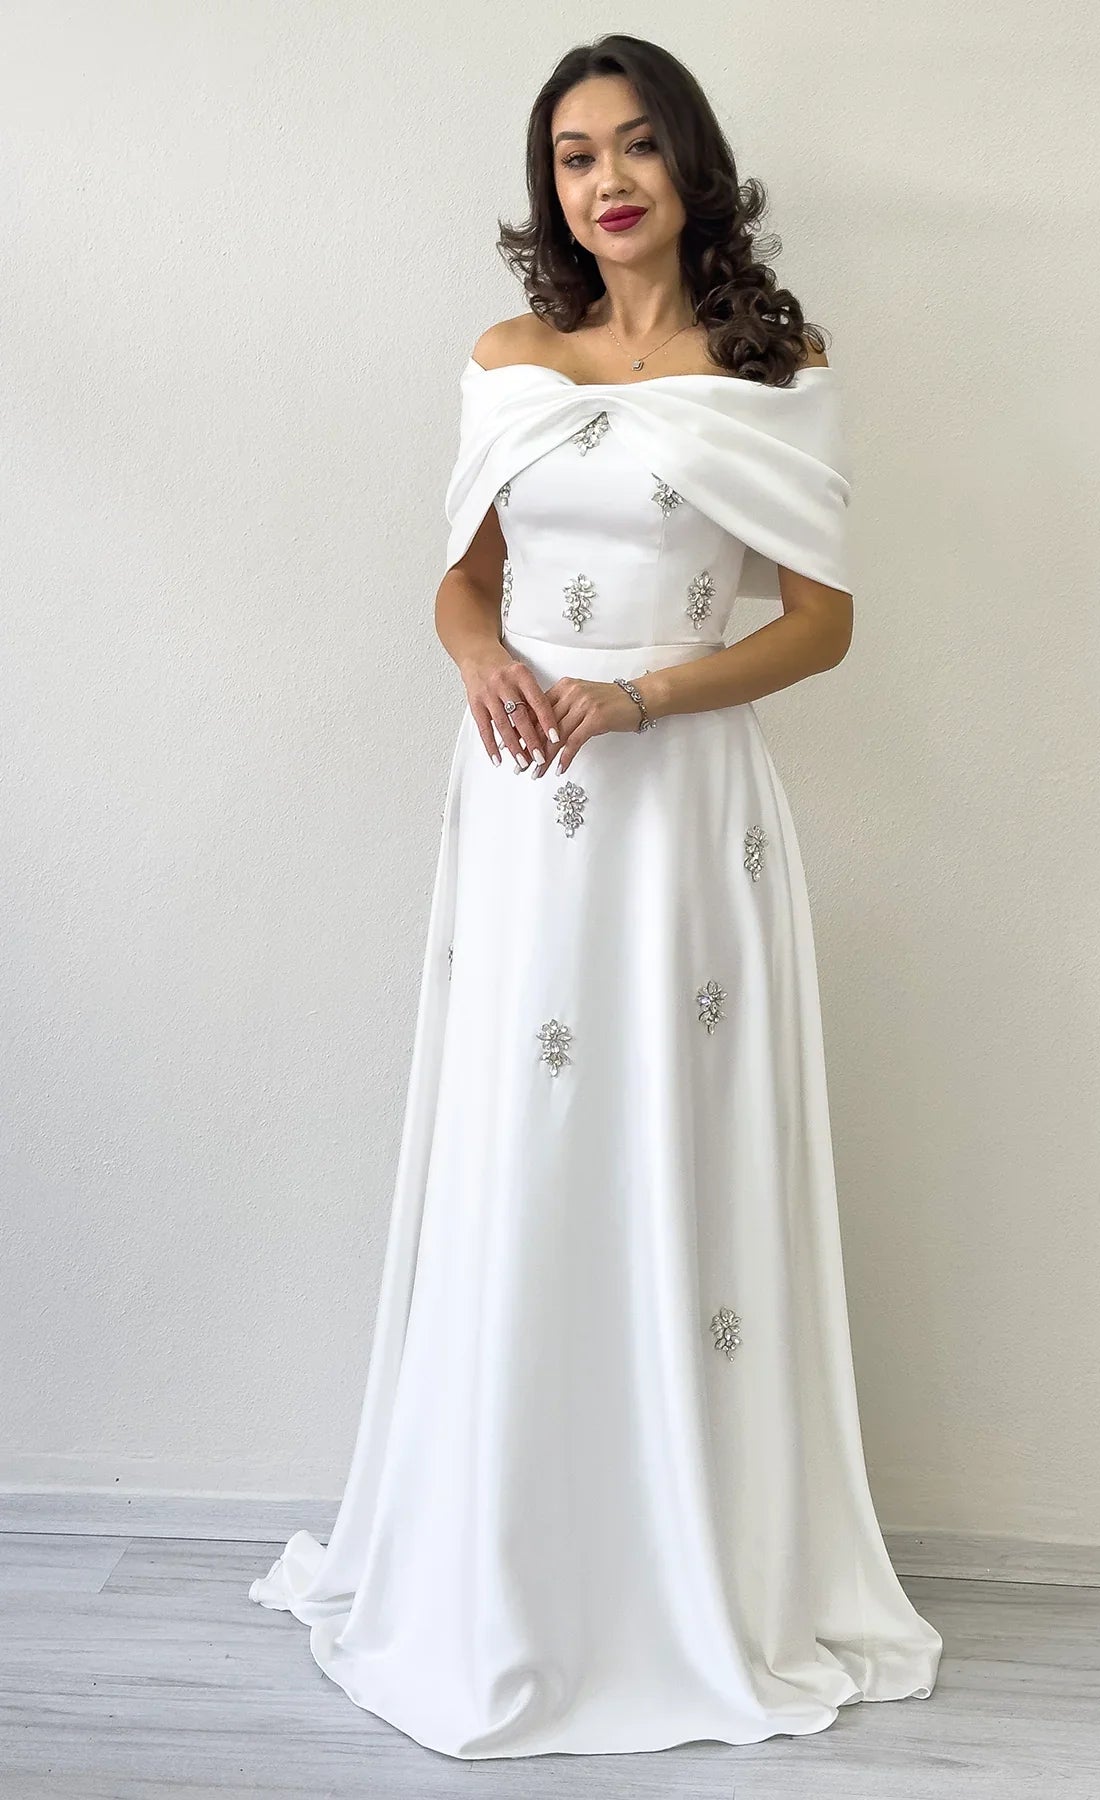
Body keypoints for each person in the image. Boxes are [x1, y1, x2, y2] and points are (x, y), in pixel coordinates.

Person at [248, 32, 943, 1761]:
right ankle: (507, 1563)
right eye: (574, 155)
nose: (607, 180)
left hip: (680, 808)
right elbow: (463, 580)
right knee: (526, 1142)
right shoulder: (510, 361)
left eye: (636, 145)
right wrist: (483, 660)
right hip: (520, 809)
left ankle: (688, 1565)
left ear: (691, 164)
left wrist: (635, 698)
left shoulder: (774, 368)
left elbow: (823, 624)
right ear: (548, 185)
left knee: (673, 1146)